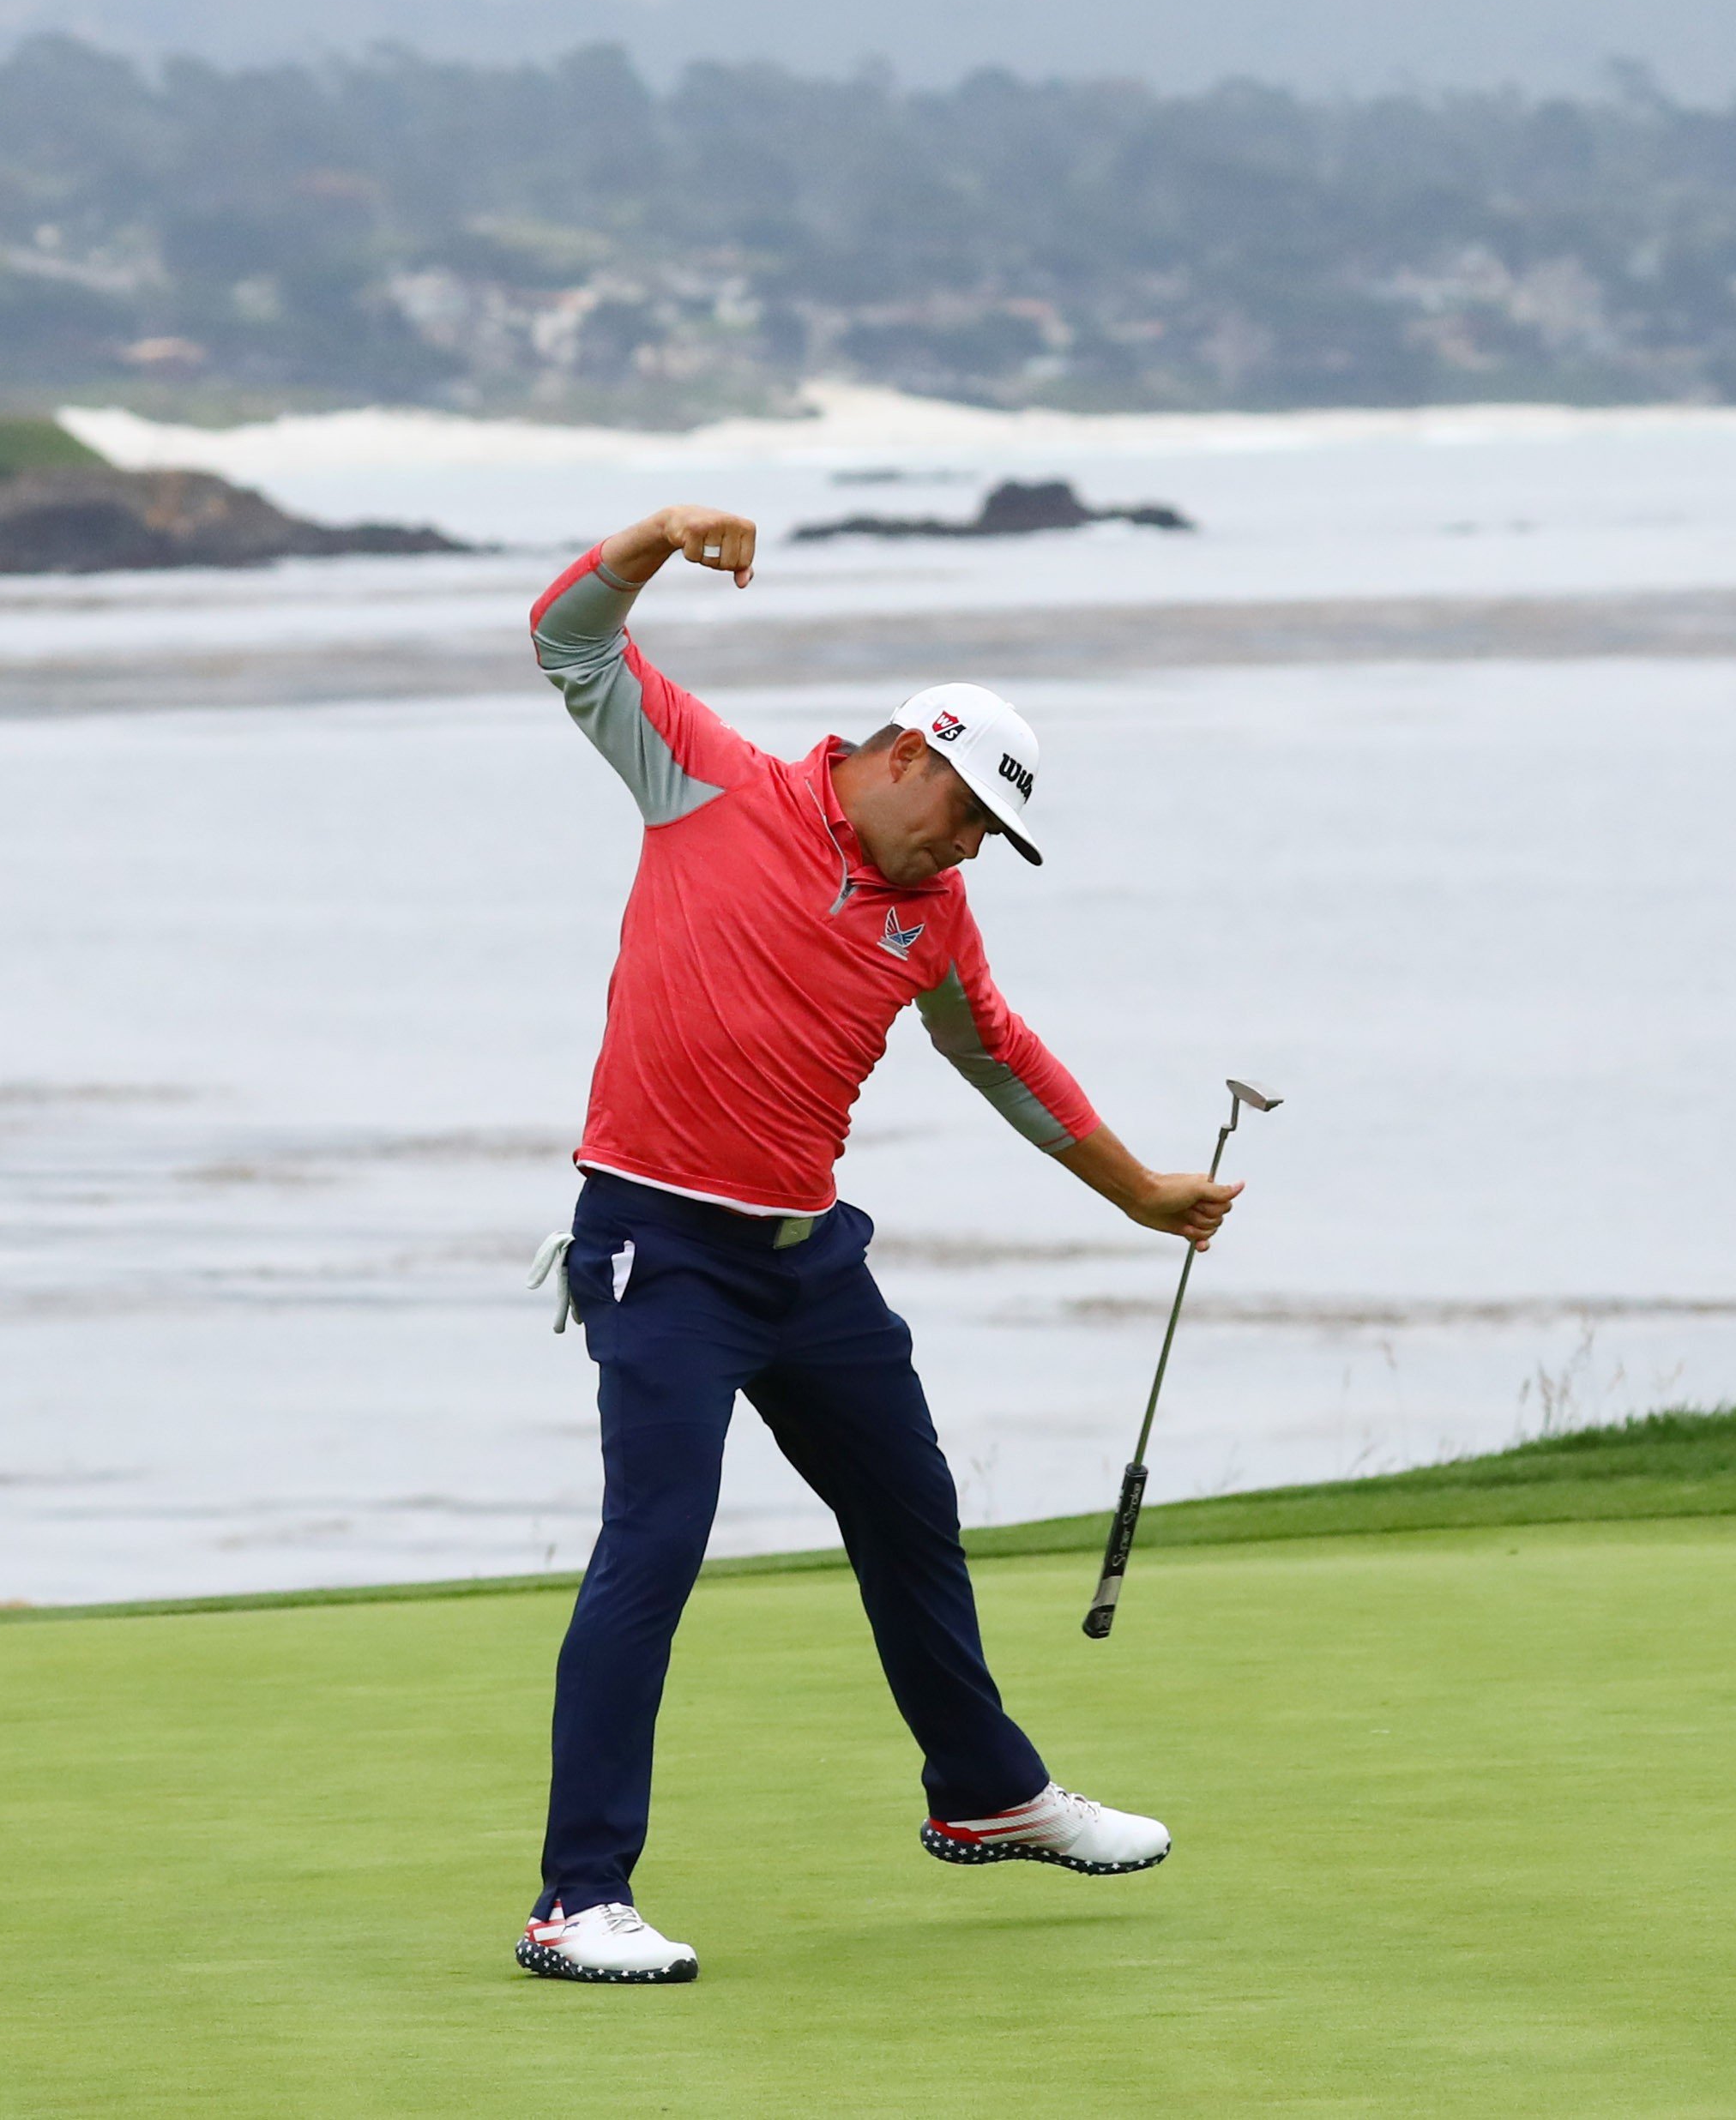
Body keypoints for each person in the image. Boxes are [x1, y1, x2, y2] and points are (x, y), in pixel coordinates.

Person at [514, 504, 1242, 1987]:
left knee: (910, 1507)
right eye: (966, 812)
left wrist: (1135, 1190)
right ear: (908, 752)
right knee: (654, 1546)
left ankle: (983, 1790)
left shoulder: (932, 913)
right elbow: (565, 639)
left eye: (989, 836)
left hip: (808, 1263)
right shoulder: (706, 779)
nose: (968, 846)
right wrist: (655, 536)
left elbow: (1002, 1055)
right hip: (661, 1241)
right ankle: (579, 1895)